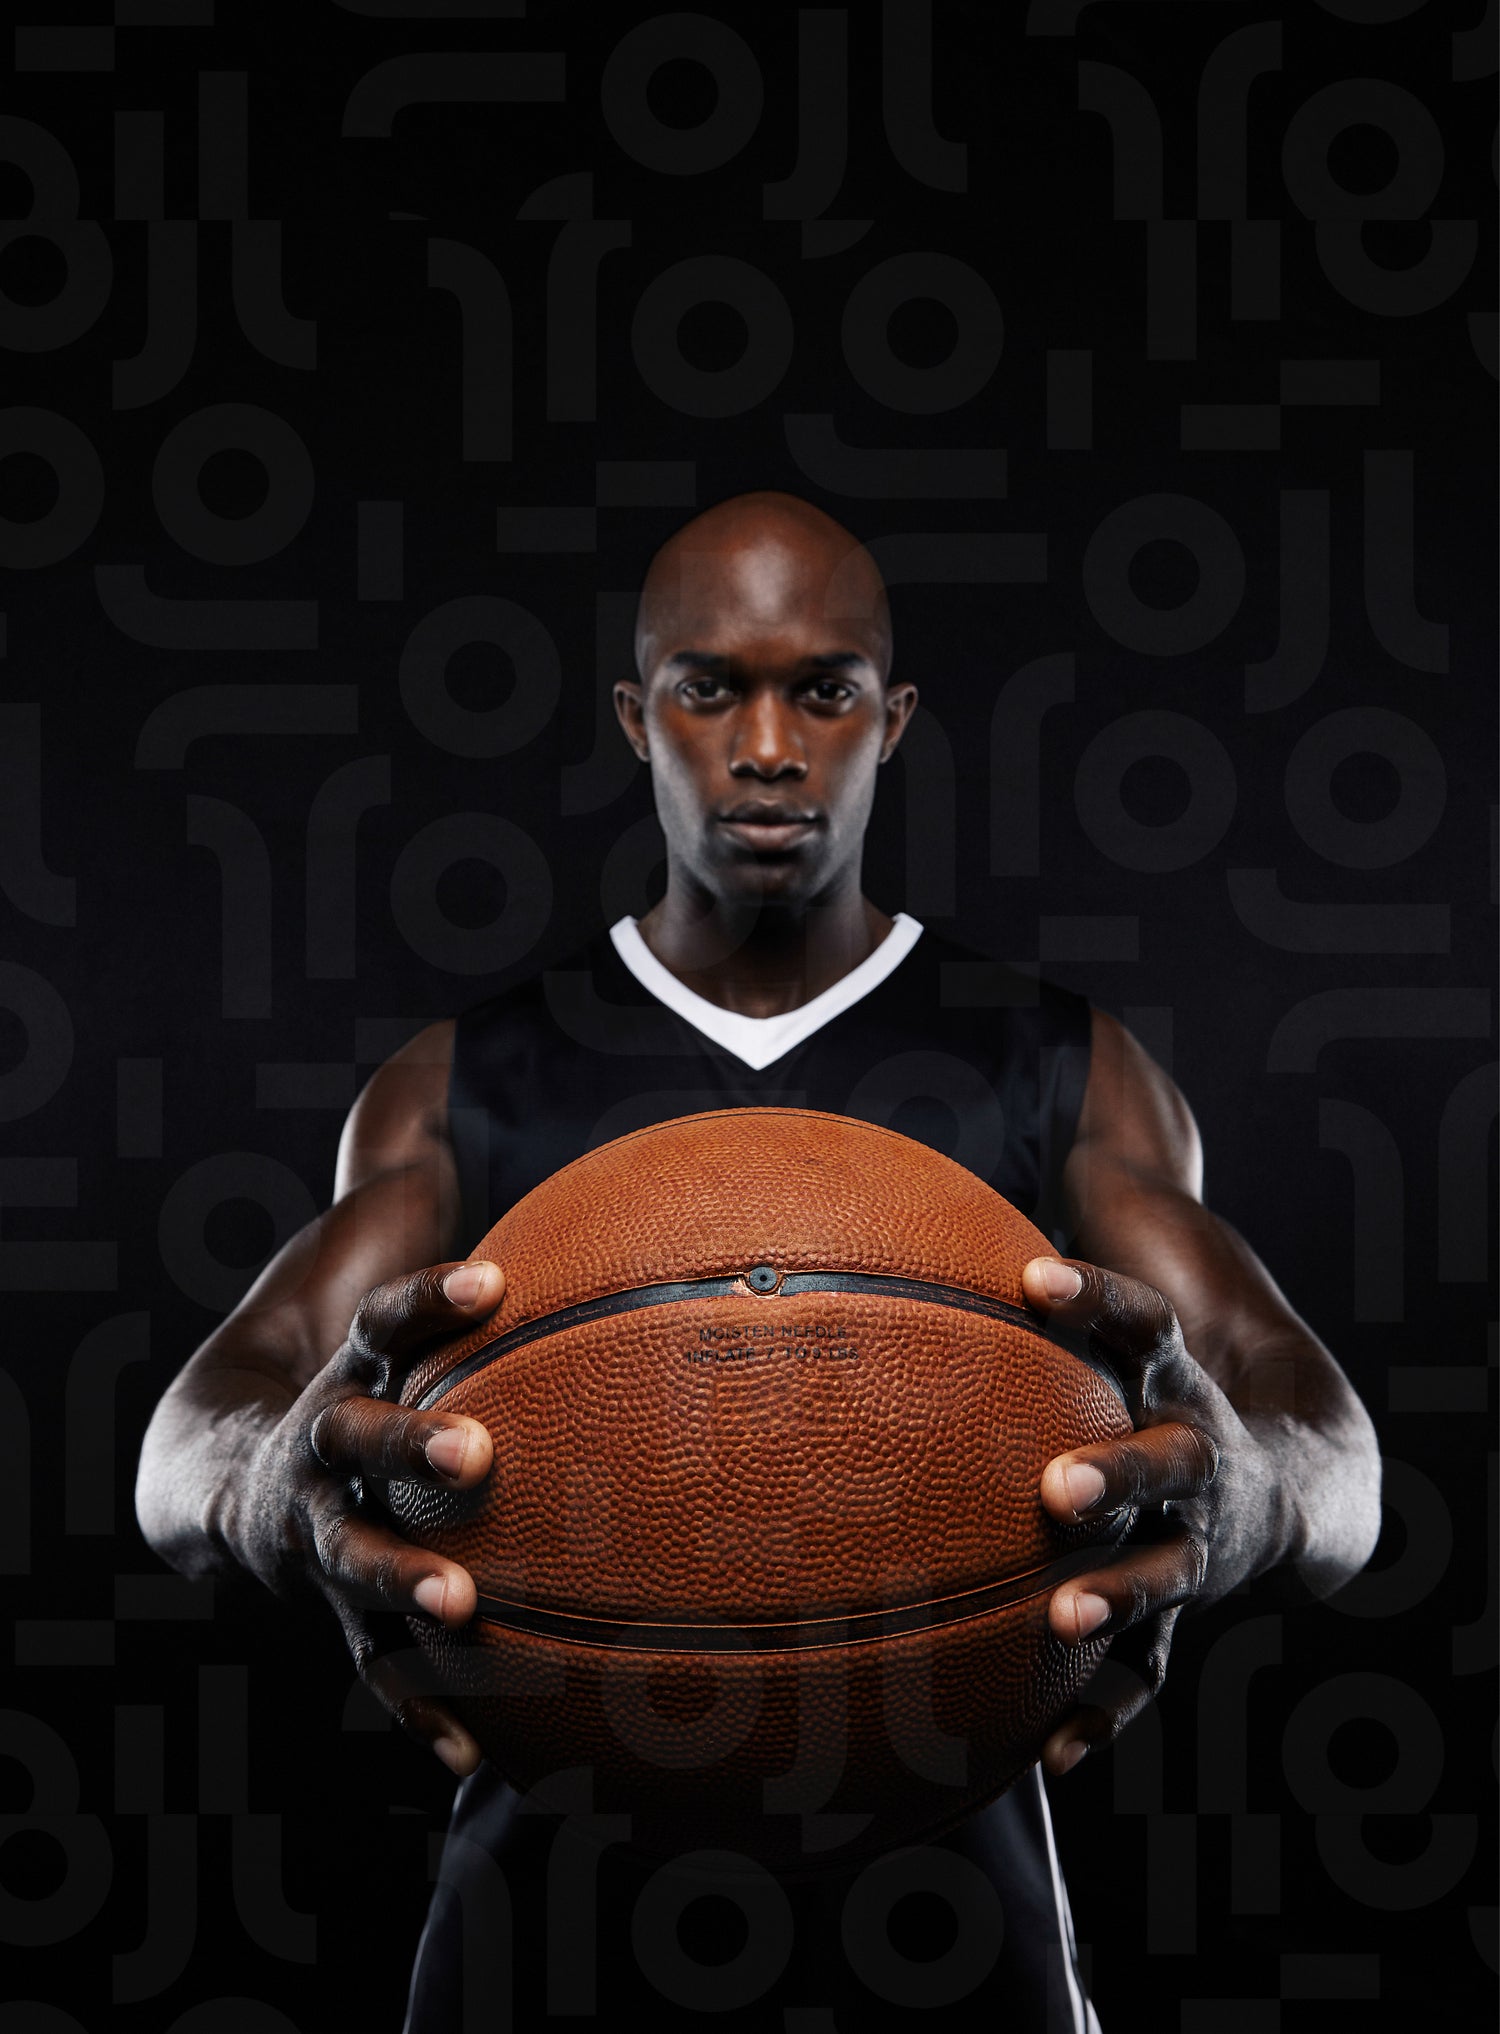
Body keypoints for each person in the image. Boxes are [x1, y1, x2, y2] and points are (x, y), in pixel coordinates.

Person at [136, 490, 1382, 2030]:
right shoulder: (465, 1082)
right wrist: (272, 1489)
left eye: (826, 690)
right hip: (543, 1943)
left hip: (956, 1940)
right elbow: (190, 1441)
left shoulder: (1058, 1065)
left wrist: (1251, 1494)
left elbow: (1330, 1446)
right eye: (711, 689)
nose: (771, 747)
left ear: (893, 719)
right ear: (635, 715)